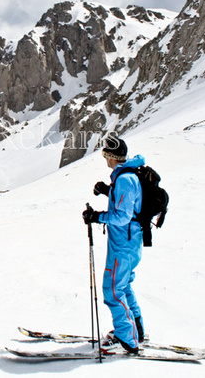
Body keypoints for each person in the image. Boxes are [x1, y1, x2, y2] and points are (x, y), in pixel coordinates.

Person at [83, 136, 145, 354]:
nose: (105, 159)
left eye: (105, 155)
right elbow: (129, 204)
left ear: (111, 156)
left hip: (123, 245)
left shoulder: (125, 179)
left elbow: (123, 216)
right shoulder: (126, 177)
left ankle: (127, 338)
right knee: (124, 286)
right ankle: (136, 330)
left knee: (111, 291)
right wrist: (107, 191)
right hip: (129, 243)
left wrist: (97, 217)